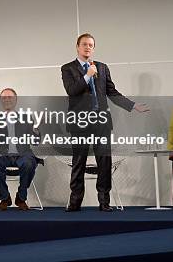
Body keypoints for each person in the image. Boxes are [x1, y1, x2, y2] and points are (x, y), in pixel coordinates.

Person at [61, 33, 148, 212]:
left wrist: (132, 106)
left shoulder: (102, 67)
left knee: (104, 162)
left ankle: (104, 202)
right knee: (79, 162)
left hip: (101, 122)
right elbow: (71, 90)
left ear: (93, 48)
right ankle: (75, 202)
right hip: (80, 122)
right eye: (84, 44)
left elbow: (112, 92)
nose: (87, 48)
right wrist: (87, 76)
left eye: (91, 45)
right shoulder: (67, 68)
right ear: (77, 47)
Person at [0, 88, 42, 211]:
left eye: (10, 97)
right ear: (1, 101)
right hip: (2, 155)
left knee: (28, 163)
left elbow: (36, 142)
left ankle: (21, 198)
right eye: (4, 98)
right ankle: (5, 198)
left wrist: (35, 130)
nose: (7, 100)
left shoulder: (27, 118)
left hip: (23, 154)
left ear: (16, 99)